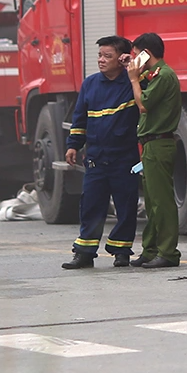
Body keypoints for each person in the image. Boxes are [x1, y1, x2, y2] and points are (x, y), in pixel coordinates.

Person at [62, 35, 139, 270]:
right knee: (91, 206)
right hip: (95, 158)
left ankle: (121, 251)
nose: (101, 60)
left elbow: (148, 82)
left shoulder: (132, 82)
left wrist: (131, 64)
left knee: (125, 206)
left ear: (121, 59)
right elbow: (80, 117)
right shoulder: (90, 84)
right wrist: (73, 144)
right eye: (99, 55)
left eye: (108, 56)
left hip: (124, 157)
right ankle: (84, 253)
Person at [127, 31, 182, 269]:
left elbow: (144, 104)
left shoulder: (165, 75)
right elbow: (147, 77)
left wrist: (133, 79)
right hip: (150, 144)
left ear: (146, 53)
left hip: (159, 144)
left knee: (162, 202)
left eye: (136, 55)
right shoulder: (154, 74)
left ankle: (168, 252)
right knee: (151, 202)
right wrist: (134, 69)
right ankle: (150, 250)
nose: (134, 59)